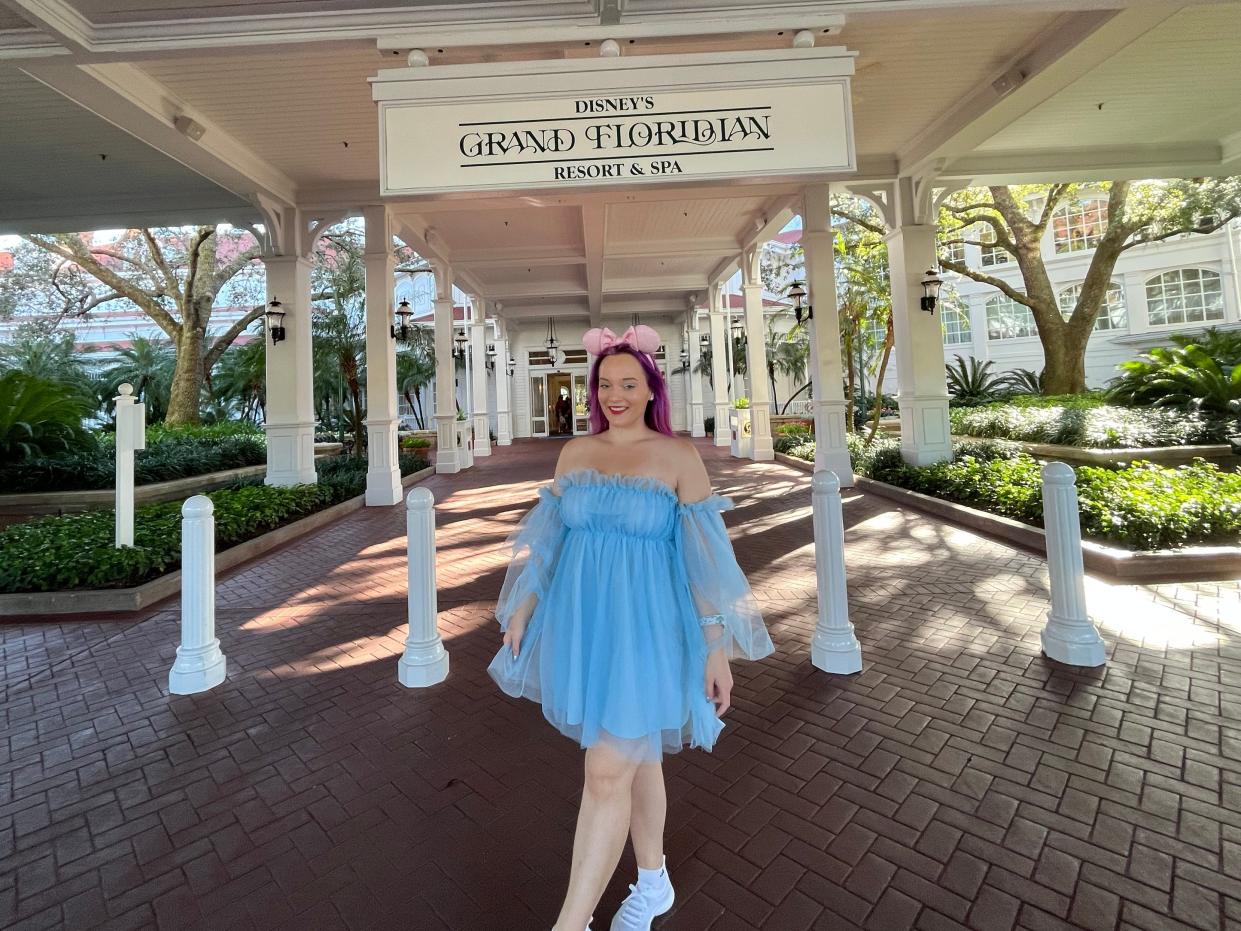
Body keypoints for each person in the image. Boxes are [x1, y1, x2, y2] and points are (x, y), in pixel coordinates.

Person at [487, 324, 775, 931]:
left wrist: (715, 647)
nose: (614, 394)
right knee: (637, 758)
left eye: (628, 383)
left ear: (650, 390)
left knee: (605, 768)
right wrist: (523, 605)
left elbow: (704, 561)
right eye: (604, 384)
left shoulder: (678, 457)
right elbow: (551, 540)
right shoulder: (575, 454)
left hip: (650, 628)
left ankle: (570, 924)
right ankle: (654, 882)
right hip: (586, 625)